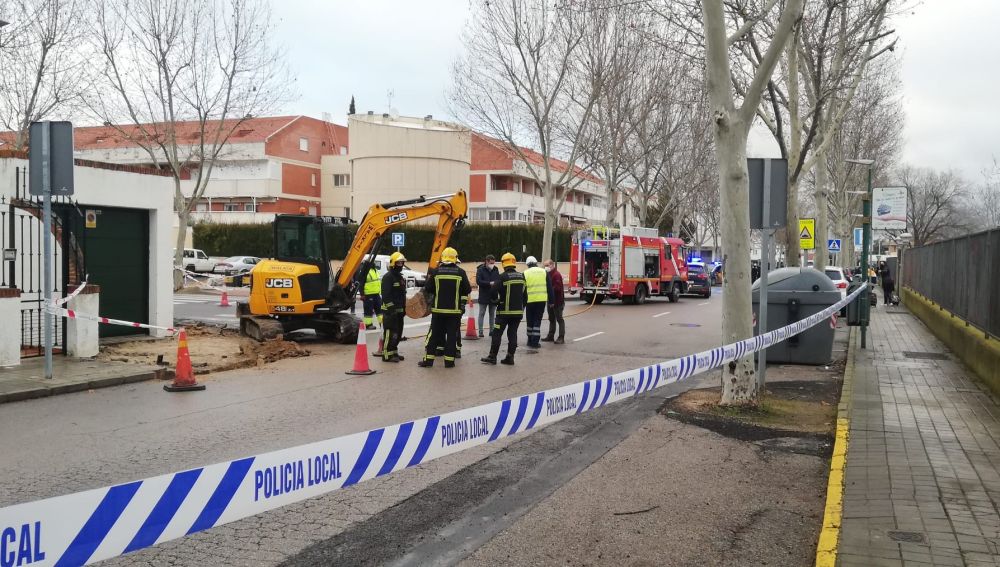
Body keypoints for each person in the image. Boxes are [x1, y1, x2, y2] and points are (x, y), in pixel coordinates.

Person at [418, 247, 471, 368]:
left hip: (438, 310)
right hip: (454, 311)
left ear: (443, 258)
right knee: (452, 336)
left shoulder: (436, 271)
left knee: (435, 336)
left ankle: (428, 361)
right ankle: (449, 362)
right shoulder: (461, 272)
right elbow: (467, 289)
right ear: (455, 258)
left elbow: (428, 288)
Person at [482, 253, 526, 365]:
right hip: (517, 312)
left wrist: (496, 301)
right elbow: (525, 295)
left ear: (503, 263)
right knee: (512, 334)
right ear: (514, 263)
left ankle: (492, 357)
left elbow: (492, 291)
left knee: (497, 334)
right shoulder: (522, 276)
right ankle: (510, 357)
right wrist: (522, 308)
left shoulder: (502, 277)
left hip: (503, 313)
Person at [380, 252, 407, 363]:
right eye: (399, 262)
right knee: (389, 333)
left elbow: (402, 294)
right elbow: (386, 295)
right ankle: (386, 354)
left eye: (402, 262)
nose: (401, 265)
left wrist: (404, 309)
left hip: (399, 311)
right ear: (393, 263)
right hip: (390, 311)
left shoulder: (399, 277)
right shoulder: (388, 277)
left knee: (398, 332)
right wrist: (391, 309)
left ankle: (394, 352)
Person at [523, 256, 548, 349]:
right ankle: (535, 342)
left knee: (530, 321)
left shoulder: (525, 273)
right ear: (536, 262)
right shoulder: (543, 272)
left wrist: (522, 303)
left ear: (527, 264)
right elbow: (549, 287)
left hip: (529, 301)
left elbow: (523, 290)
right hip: (541, 301)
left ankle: (529, 340)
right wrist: (552, 301)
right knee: (537, 321)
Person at [475, 255, 500, 338]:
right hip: (484, 295)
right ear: (486, 261)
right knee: (481, 313)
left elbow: (498, 280)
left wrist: (496, 284)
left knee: (492, 314)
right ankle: (481, 331)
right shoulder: (480, 269)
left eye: (493, 263)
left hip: (493, 295)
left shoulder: (496, 269)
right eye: (491, 263)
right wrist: (489, 283)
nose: (492, 264)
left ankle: (492, 331)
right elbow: (478, 281)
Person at [541, 259, 565, 344]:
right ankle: (551, 335)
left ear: (552, 265)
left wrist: (550, 290)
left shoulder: (556, 275)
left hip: (558, 301)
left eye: (547, 265)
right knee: (551, 318)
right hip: (550, 301)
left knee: (559, 319)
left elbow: (558, 289)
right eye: (545, 266)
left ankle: (561, 337)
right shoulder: (547, 274)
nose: (546, 267)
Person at [360, 261, 382, 329]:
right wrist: (362, 294)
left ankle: (382, 323)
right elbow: (361, 283)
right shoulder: (365, 272)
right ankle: (368, 325)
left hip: (376, 294)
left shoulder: (375, 271)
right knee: (368, 311)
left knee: (380, 310)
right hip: (368, 295)